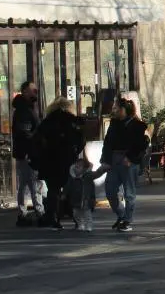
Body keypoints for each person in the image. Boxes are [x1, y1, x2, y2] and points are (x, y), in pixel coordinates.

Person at [34, 97, 84, 230]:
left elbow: (38, 140)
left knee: (53, 190)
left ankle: (53, 217)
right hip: (68, 160)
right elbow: (81, 140)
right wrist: (75, 152)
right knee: (71, 189)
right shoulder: (73, 121)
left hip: (51, 160)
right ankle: (76, 218)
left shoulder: (47, 122)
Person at [101, 98, 147, 233]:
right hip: (114, 160)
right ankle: (121, 214)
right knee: (110, 190)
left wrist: (131, 158)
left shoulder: (138, 125)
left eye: (116, 108)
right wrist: (105, 160)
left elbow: (142, 145)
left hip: (129, 162)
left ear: (124, 110)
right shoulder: (114, 124)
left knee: (129, 193)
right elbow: (107, 143)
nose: (113, 110)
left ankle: (127, 220)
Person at [11, 81, 42, 226]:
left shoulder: (28, 108)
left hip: (25, 153)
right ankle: (37, 211)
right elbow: (25, 133)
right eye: (32, 90)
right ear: (24, 92)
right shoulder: (24, 110)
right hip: (27, 154)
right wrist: (30, 151)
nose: (35, 92)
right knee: (32, 183)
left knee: (28, 183)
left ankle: (25, 212)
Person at [68, 157, 103, 232]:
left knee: (87, 213)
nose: (78, 168)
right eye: (76, 166)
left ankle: (88, 226)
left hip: (86, 198)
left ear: (84, 168)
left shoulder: (88, 175)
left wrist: (102, 169)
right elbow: (67, 186)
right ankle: (80, 224)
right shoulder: (72, 177)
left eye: (80, 166)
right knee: (76, 213)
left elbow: (97, 174)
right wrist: (64, 193)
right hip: (75, 198)